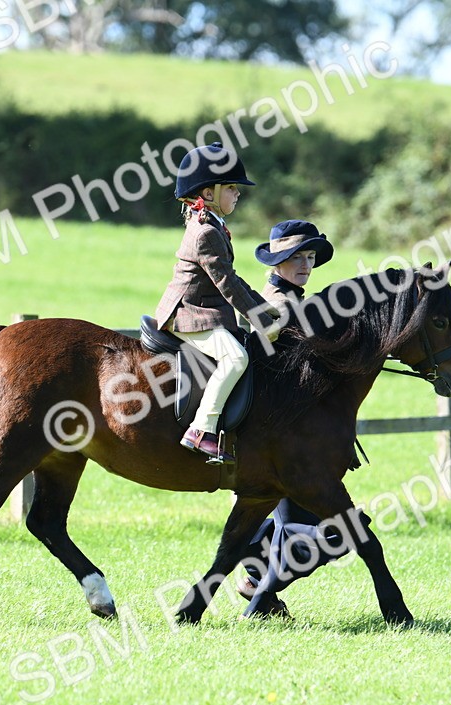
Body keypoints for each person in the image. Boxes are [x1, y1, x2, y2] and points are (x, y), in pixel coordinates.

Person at [154, 142, 280, 463]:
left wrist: (263, 309)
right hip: (187, 313)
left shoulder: (210, 225)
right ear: (208, 193)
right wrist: (260, 320)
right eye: (232, 187)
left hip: (203, 309)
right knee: (236, 358)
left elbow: (232, 278)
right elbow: (226, 285)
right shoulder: (205, 232)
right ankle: (202, 429)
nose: (238, 193)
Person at [239, 220, 342, 609]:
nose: (305, 265)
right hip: (282, 437)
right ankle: (257, 588)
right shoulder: (280, 305)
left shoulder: (296, 300)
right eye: (295, 257)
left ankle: (254, 576)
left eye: (310, 257)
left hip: (294, 435)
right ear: (278, 262)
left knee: (317, 529)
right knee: (329, 535)